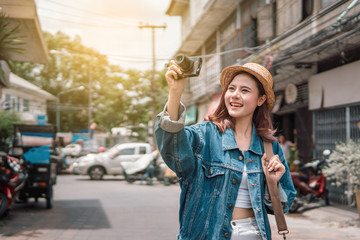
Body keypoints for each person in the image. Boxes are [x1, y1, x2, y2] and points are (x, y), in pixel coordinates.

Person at [155, 61, 296, 240]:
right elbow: (172, 149)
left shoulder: (269, 146)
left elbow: (283, 206)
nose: (235, 95)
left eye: (245, 90)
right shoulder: (204, 135)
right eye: (231, 88)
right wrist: (175, 93)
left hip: (254, 234)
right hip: (209, 235)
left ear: (260, 99)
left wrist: (273, 184)